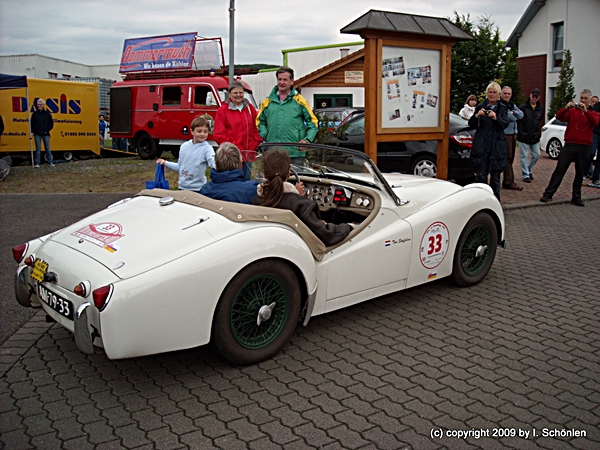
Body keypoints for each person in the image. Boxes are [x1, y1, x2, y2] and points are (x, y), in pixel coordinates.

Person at [252, 148, 352, 246]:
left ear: (265, 175)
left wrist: (296, 196)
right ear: (289, 174)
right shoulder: (301, 205)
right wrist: (350, 226)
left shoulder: (257, 201)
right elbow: (327, 235)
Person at [540, 89, 600, 206]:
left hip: (584, 146)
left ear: (589, 101)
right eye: (581, 98)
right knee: (560, 169)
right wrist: (566, 108)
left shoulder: (593, 113)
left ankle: (576, 197)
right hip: (569, 145)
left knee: (580, 173)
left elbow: (595, 122)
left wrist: (586, 111)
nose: (582, 100)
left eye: (585, 99)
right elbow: (559, 116)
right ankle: (548, 194)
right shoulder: (573, 111)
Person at [256, 66, 319, 165]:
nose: (282, 82)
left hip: (295, 153)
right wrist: (265, 135)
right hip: (273, 151)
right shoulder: (267, 102)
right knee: (274, 180)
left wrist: (307, 140)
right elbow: (260, 121)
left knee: (296, 180)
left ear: (292, 81)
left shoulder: (300, 101)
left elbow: (313, 123)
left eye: (285, 79)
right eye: (279, 79)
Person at [468, 82, 509, 201]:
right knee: (481, 176)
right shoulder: (481, 106)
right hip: (482, 146)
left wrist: (495, 117)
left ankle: (495, 202)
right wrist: (477, 115)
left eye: (494, 92)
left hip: (496, 146)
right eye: (490, 92)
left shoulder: (502, 108)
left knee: (495, 178)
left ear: (498, 94)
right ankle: (480, 201)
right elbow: (471, 124)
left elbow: (505, 124)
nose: (492, 95)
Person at [213, 81, 262, 180]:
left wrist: (254, 144)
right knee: (232, 180)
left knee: (246, 179)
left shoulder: (249, 108)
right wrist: (233, 150)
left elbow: (257, 127)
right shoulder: (223, 110)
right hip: (232, 157)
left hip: (248, 154)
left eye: (241, 92)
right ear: (230, 94)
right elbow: (219, 134)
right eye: (235, 93)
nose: (238, 95)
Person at [156, 116, 215, 192]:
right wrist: (165, 163)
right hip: (182, 188)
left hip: (199, 189)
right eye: (199, 131)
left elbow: (213, 163)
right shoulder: (184, 146)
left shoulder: (207, 149)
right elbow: (180, 167)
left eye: (205, 131)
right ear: (192, 131)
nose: (202, 134)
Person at [517, 88, 544, 183]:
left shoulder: (540, 109)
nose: (534, 98)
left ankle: (528, 169)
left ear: (539, 97)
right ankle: (526, 175)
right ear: (530, 95)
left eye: (536, 96)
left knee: (536, 155)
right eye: (533, 96)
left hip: (535, 137)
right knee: (524, 157)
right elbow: (518, 119)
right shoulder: (523, 107)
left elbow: (539, 121)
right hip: (524, 136)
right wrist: (521, 132)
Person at [500, 86, 524, 190]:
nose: (507, 95)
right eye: (505, 93)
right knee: (508, 158)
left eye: (509, 94)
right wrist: (514, 115)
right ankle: (508, 181)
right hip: (506, 134)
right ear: (501, 94)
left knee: (511, 158)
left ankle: (509, 180)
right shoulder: (501, 105)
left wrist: (513, 114)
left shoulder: (512, 105)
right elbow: (509, 117)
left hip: (514, 134)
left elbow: (521, 114)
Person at [30, 99, 54, 168]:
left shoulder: (47, 114)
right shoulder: (35, 114)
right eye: (38, 105)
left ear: (43, 105)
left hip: (46, 133)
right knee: (38, 149)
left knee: (47, 148)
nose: (39, 106)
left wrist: (47, 130)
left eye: (40, 104)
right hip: (37, 133)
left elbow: (51, 123)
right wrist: (32, 131)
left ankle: (50, 162)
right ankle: (37, 163)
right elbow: (32, 123)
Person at [584, 97, 600, 185]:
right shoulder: (598, 105)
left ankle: (596, 177)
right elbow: (594, 115)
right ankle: (585, 173)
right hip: (596, 132)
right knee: (591, 153)